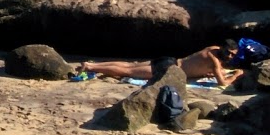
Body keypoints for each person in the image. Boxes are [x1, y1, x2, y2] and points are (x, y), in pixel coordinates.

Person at [80, 45, 242, 88]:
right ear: (223, 49)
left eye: (233, 54)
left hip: (170, 60)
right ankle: (91, 68)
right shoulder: (214, 61)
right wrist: (236, 75)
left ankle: (91, 64)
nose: (230, 56)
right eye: (229, 53)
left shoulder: (211, 48)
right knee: (128, 71)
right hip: (168, 69)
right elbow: (222, 83)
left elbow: (200, 66)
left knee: (131, 65)